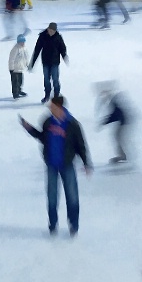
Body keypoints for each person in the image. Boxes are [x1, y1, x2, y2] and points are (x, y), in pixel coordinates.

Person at [19, 96, 92, 236]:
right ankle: (52, 225)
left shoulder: (72, 124)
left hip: (67, 165)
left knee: (72, 196)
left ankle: (74, 226)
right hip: (51, 165)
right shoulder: (48, 122)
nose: (50, 109)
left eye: (52, 107)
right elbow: (42, 137)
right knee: (51, 197)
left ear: (60, 107)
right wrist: (29, 128)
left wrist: (86, 163)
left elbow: (81, 145)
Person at [29, 22, 68, 103]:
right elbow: (37, 50)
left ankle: (56, 96)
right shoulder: (42, 37)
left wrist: (64, 56)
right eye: (49, 30)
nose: (50, 32)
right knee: (46, 80)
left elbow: (62, 48)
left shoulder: (58, 37)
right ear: (48, 29)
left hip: (55, 62)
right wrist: (32, 63)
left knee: (55, 79)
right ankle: (47, 95)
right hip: (46, 62)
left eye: (52, 31)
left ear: (55, 31)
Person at [97, 84, 132, 163]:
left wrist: (104, 122)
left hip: (124, 121)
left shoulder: (113, 100)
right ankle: (123, 155)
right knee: (117, 137)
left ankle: (123, 155)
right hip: (124, 121)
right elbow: (115, 114)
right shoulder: (114, 100)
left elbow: (115, 114)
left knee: (117, 136)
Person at [8, 34, 29, 99]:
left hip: (20, 68)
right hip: (14, 69)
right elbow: (11, 59)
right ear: (18, 42)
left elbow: (26, 58)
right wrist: (11, 68)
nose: (22, 43)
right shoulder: (15, 49)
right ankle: (15, 93)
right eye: (21, 42)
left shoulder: (24, 48)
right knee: (15, 82)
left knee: (20, 81)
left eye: (23, 41)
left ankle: (19, 90)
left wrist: (27, 64)